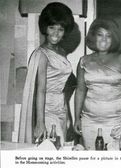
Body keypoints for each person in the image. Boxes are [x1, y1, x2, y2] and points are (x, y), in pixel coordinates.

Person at [73, 18, 121, 150]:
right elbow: (80, 90)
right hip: (89, 121)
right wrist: (77, 118)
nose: (104, 39)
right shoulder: (83, 61)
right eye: (100, 35)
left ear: (113, 39)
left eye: (108, 36)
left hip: (116, 121)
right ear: (93, 37)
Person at [18, 2, 75, 145]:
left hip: (61, 108)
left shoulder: (61, 52)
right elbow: (41, 90)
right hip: (46, 110)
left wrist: (67, 114)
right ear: (45, 28)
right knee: (51, 149)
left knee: (61, 148)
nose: (56, 33)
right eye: (51, 27)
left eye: (60, 29)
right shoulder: (42, 54)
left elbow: (62, 86)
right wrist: (39, 123)